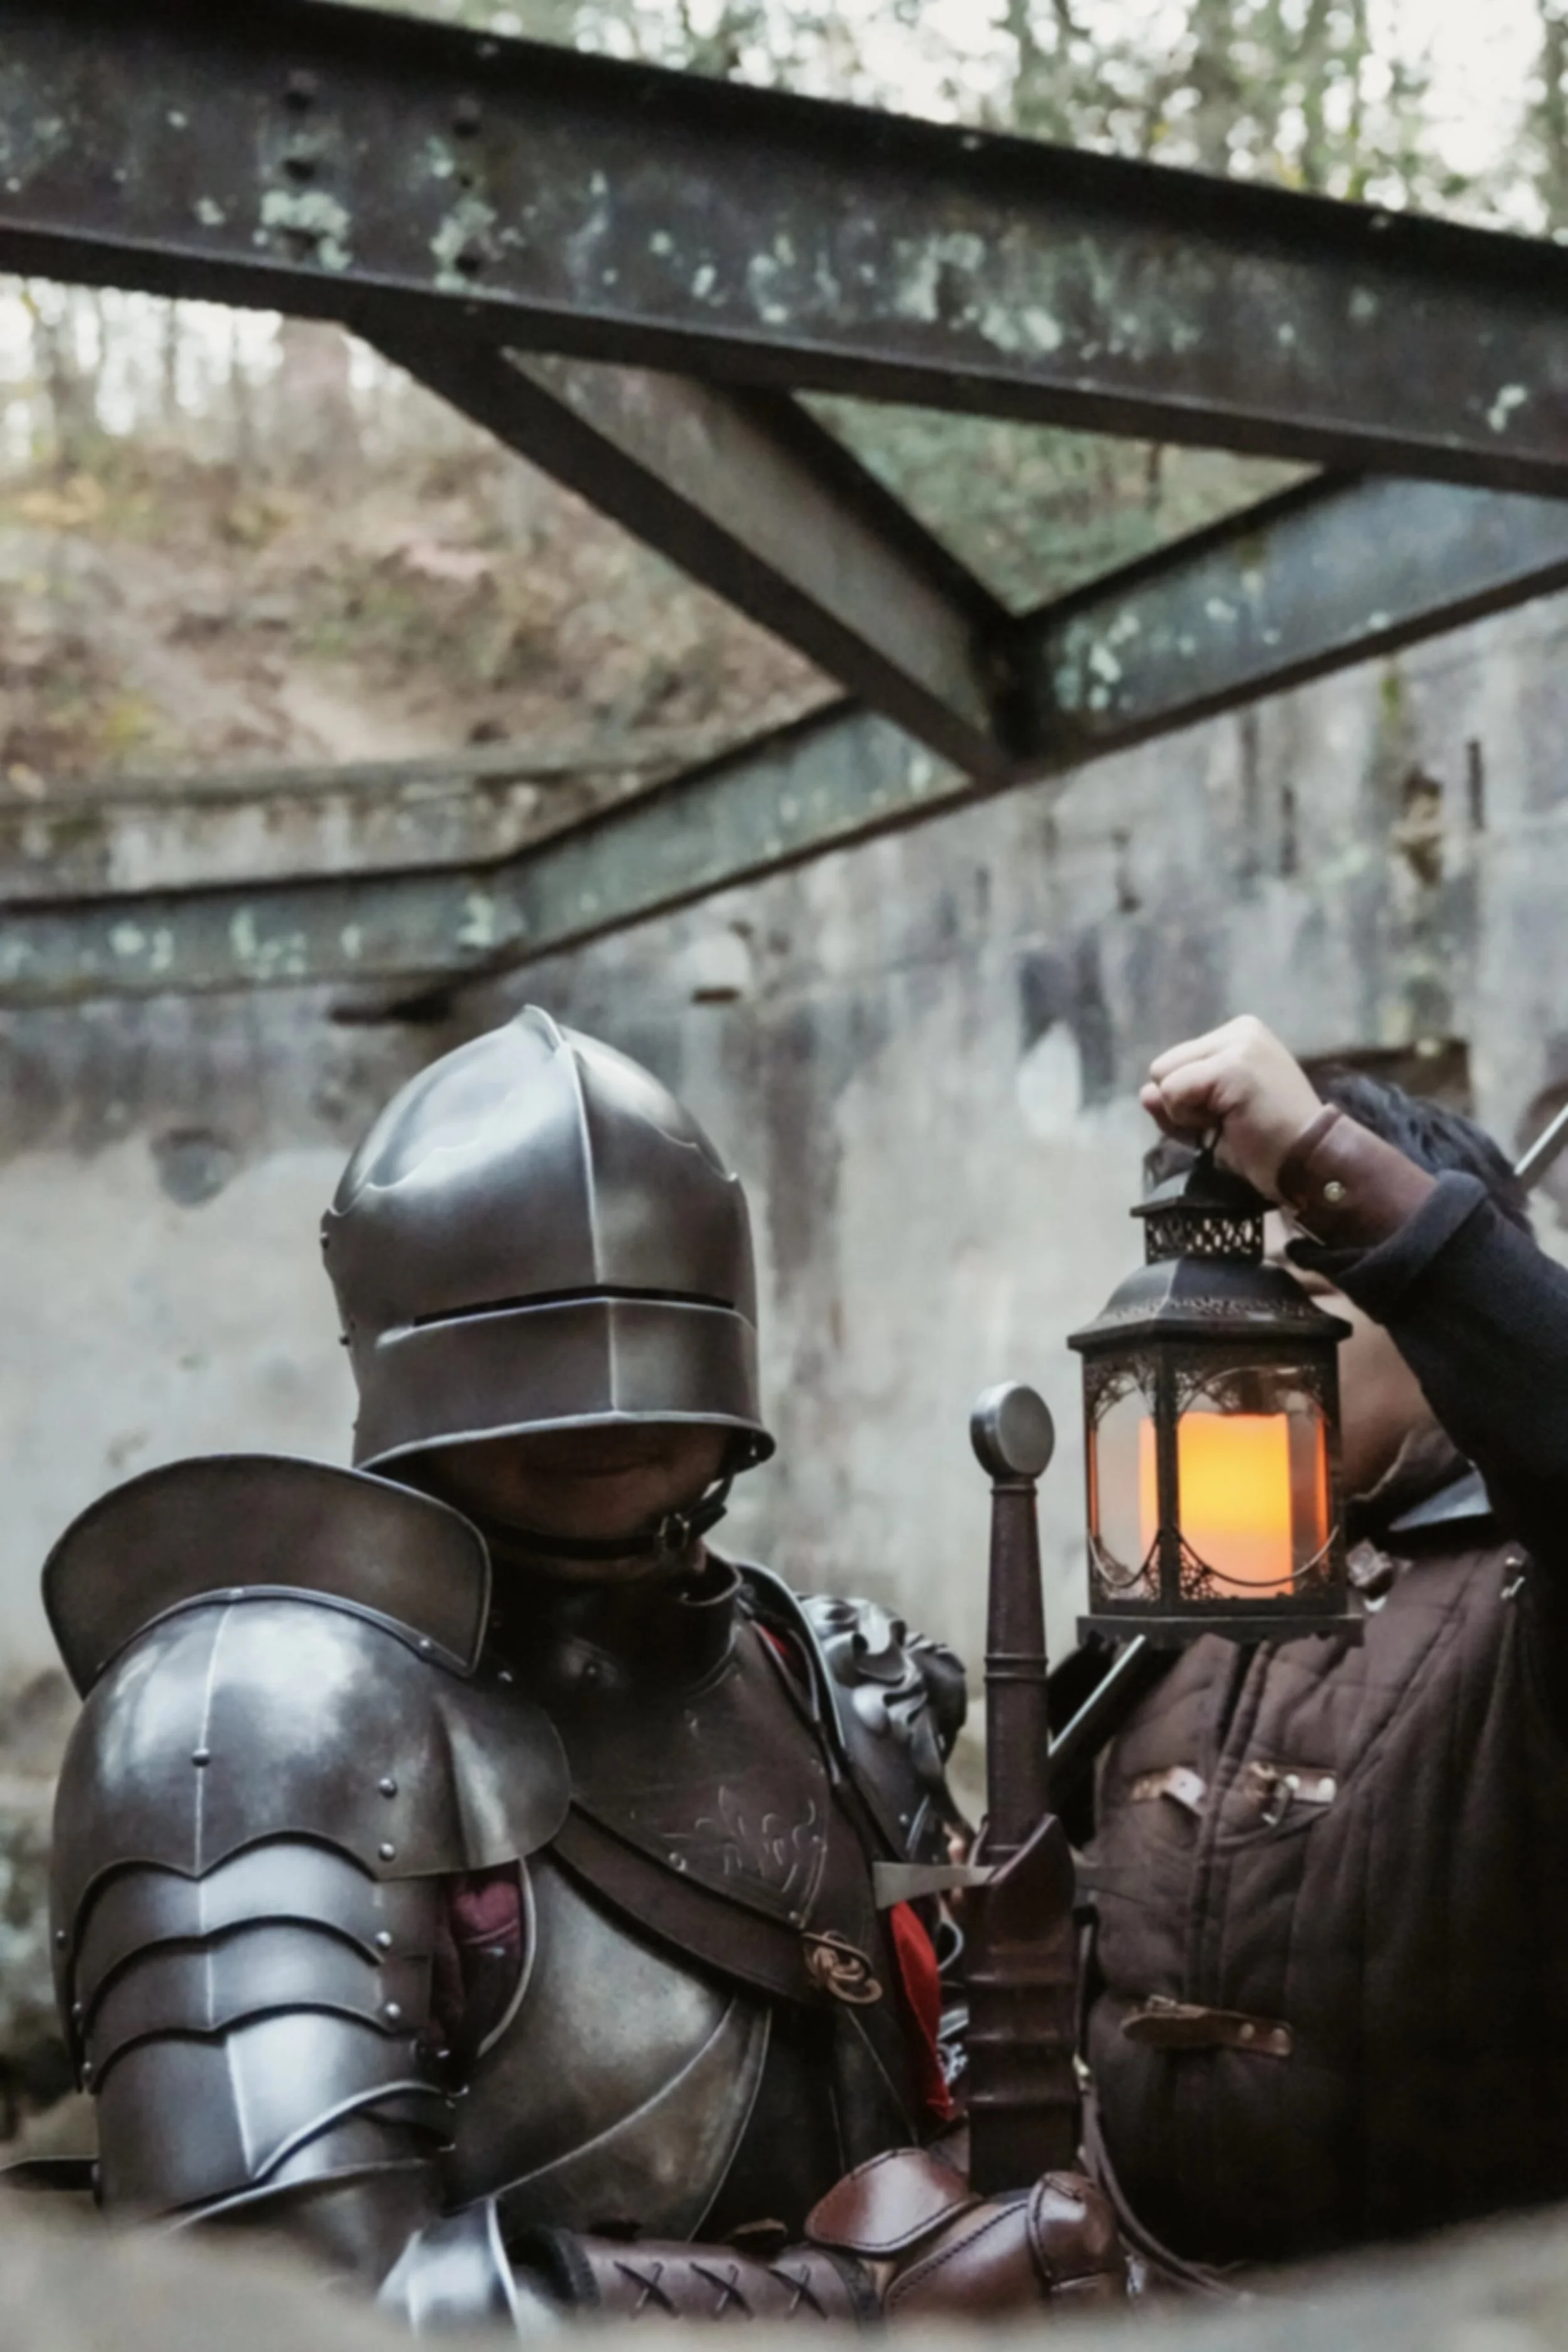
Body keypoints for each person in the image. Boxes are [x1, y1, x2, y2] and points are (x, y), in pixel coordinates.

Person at [41, 1006, 1122, 2326]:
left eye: (641, 1363)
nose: (602, 1410)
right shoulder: (256, 1713)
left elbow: (959, 2071)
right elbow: (274, 2289)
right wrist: (854, 2298)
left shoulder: (829, 1681)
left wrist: (1004, 2200)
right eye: (537, 1367)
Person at [1080, 1014, 1568, 2275]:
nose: (1234, 1364)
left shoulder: (1528, 1589)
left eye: (1296, 1295)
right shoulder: (1189, 1588)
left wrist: (1316, 1155)